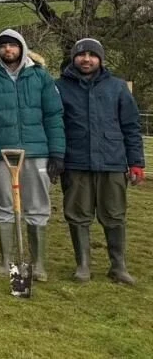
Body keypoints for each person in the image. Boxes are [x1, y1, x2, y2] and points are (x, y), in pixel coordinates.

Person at [0, 29, 64, 281]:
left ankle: (39, 263)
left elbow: (53, 116)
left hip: (36, 153)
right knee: (2, 205)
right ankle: (5, 261)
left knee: (36, 206)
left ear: (22, 47)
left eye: (12, 45)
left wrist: (57, 152)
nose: (8, 50)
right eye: (3, 46)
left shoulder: (41, 77)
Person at [56, 38, 143, 284]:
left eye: (92, 55)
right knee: (77, 215)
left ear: (100, 59)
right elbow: (55, 126)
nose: (86, 59)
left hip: (113, 162)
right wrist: (56, 160)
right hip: (76, 163)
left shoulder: (117, 88)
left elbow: (131, 126)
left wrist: (136, 162)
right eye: (81, 55)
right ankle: (83, 265)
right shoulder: (59, 87)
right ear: (74, 58)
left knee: (114, 215)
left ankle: (118, 265)